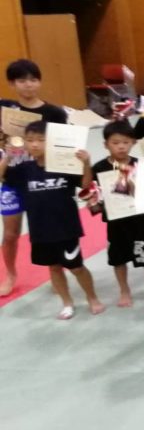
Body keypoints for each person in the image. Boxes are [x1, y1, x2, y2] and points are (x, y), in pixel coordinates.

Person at [0, 120, 104, 319]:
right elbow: (2, 176)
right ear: (25, 143)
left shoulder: (64, 165)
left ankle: (92, 298)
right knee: (54, 268)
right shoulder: (24, 169)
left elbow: (85, 185)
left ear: (52, 141)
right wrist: (8, 156)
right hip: (40, 230)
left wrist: (85, 163)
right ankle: (67, 303)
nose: (35, 144)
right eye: (30, 140)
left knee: (76, 267)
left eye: (41, 139)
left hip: (66, 228)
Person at [0, 59, 68, 297]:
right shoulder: (5, 109)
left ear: (39, 81)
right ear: (12, 84)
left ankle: (56, 273)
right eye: (22, 80)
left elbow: (63, 148)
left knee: (47, 231)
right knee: (10, 234)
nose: (28, 85)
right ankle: (10, 274)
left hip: (41, 180)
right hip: (12, 179)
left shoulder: (54, 113)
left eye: (33, 79)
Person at [91, 120, 144, 306]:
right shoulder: (99, 168)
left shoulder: (141, 165)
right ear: (106, 144)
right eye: (115, 143)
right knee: (118, 258)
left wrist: (134, 185)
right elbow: (95, 194)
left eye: (125, 142)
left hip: (140, 219)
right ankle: (124, 290)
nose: (121, 147)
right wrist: (93, 202)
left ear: (133, 142)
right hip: (115, 221)